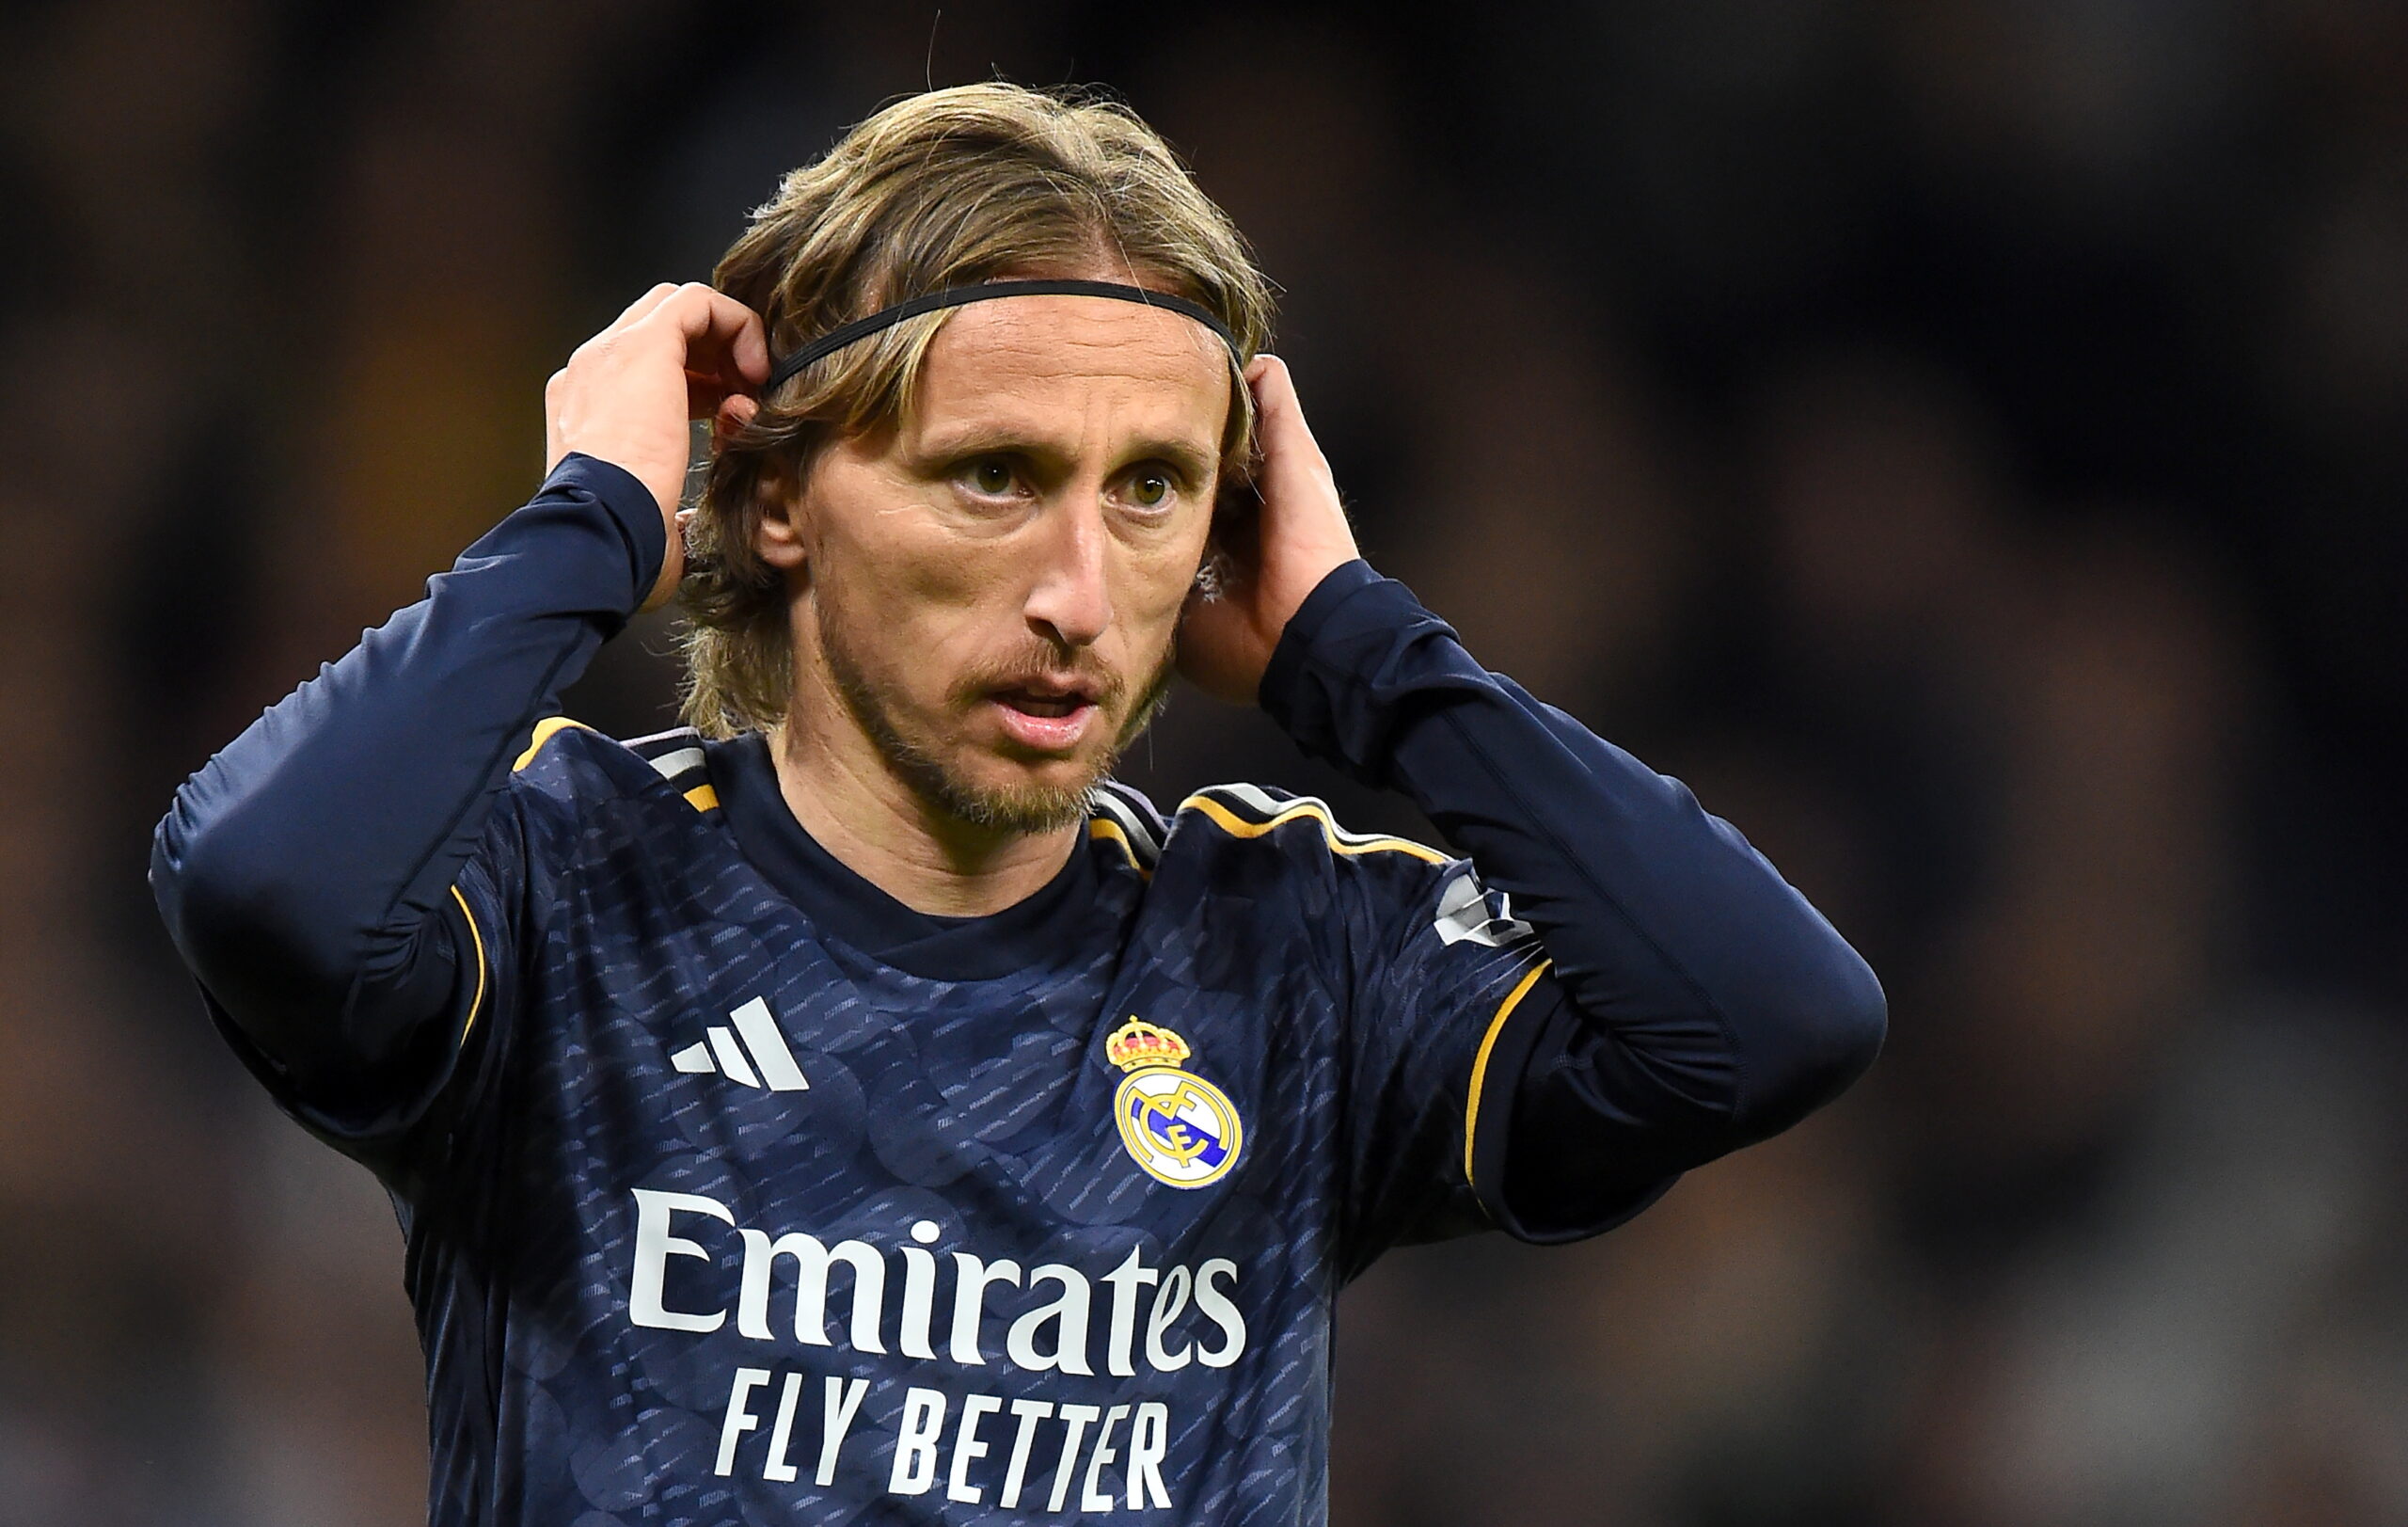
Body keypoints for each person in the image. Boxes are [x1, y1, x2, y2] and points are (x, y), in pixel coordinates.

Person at [151, 84, 1884, 1526]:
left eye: (1151, 492)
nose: (1077, 586)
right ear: (774, 503)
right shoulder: (564, 883)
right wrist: (596, 523)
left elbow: (1767, 1020)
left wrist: (1366, 651)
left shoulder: (1293, 950)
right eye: (995, 476)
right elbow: (263, 889)